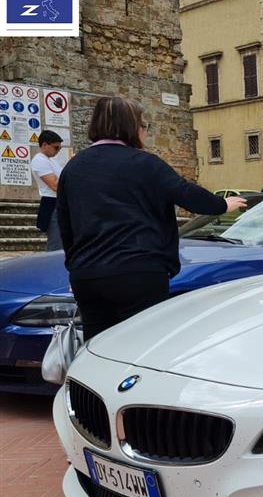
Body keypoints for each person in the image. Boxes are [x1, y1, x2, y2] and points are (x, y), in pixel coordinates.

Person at [56, 97, 246, 339]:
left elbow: (66, 225)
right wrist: (222, 204)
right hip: (138, 271)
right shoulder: (144, 163)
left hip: (88, 275)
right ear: (131, 127)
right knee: (143, 344)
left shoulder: (74, 167)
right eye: (144, 126)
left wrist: (75, 266)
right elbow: (185, 193)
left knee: (96, 345)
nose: (145, 132)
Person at [30, 130, 64, 251]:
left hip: (59, 203)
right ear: (45, 145)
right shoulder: (39, 160)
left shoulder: (51, 160)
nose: (58, 151)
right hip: (52, 203)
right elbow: (55, 185)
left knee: (63, 243)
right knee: (56, 245)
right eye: (56, 147)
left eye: (59, 148)